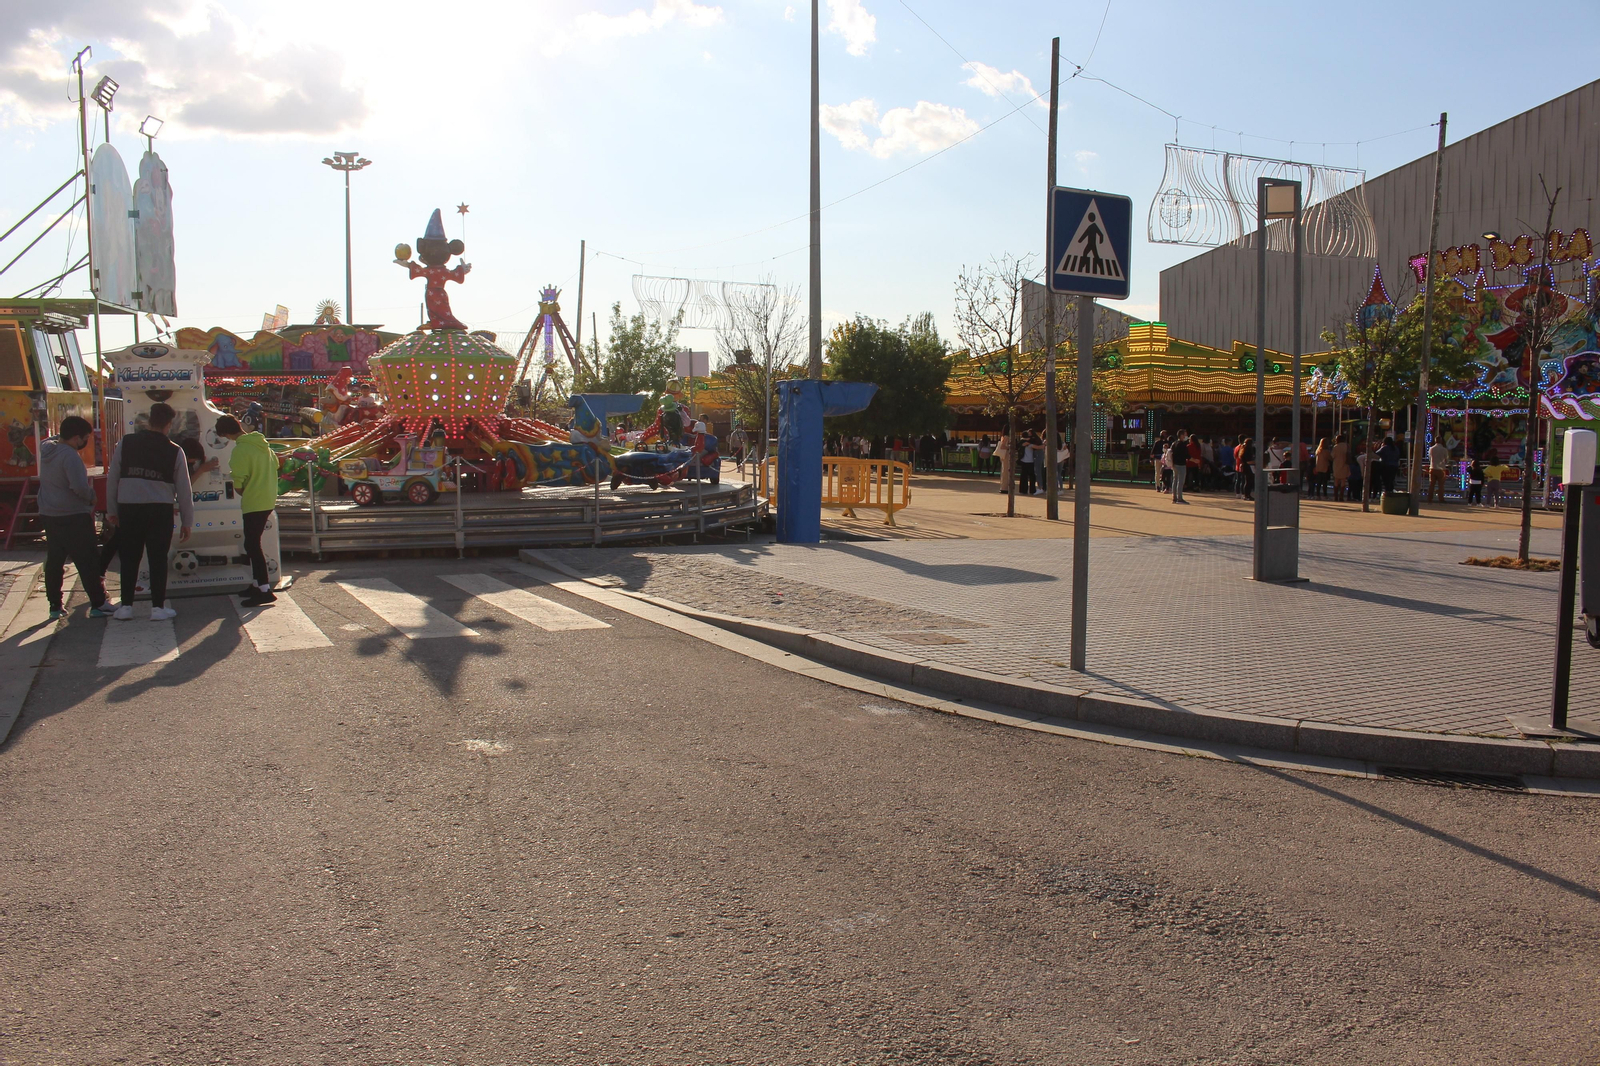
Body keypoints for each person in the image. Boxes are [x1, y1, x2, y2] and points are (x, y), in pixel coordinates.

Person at [106, 401, 193, 621]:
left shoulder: (126, 443)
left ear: (149, 419)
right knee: (157, 558)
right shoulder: (175, 450)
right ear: (169, 424)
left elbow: (113, 478)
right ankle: (157, 608)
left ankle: (125, 607)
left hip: (129, 507)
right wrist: (187, 520)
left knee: (129, 557)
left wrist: (112, 510)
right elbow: (184, 489)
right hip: (160, 509)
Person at [38, 416, 111, 621]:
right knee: (87, 560)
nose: (85, 442)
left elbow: (53, 438)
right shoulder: (70, 456)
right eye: (85, 438)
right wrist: (92, 497)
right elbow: (78, 486)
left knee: (55, 560)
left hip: (49, 513)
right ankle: (98, 603)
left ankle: (54, 605)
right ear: (77, 438)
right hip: (73, 515)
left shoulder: (47, 449)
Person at [216, 415, 279, 605]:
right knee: (252, 544)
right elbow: (276, 464)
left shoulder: (240, 449)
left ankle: (264, 589)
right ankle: (256, 583)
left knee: (252, 545)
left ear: (226, 433)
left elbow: (238, 482)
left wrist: (244, 490)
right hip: (268, 498)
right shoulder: (263, 444)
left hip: (254, 502)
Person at [1168, 430, 1189, 504]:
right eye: (1185, 435)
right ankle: (1180, 498)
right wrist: (1194, 460)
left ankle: (1174, 498)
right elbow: (1187, 455)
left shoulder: (1174, 443)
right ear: (1181, 435)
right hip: (1181, 465)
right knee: (1180, 482)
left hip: (1175, 464)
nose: (1186, 436)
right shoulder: (1183, 444)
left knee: (1175, 481)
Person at [1427, 437, 1450, 503]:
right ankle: (1441, 499)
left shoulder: (1431, 449)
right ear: (1441, 441)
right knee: (1441, 485)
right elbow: (1447, 459)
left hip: (1432, 468)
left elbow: (1430, 458)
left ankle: (1430, 498)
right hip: (1441, 469)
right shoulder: (1444, 450)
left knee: (1431, 484)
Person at [1331, 434, 1351, 502]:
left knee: (1336, 481)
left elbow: (1332, 456)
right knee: (1343, 481)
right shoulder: (1347, 446)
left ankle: (1335, 496)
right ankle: (1341, 496)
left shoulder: (1335, 447)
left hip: (1337, 464)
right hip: (1345, 464)